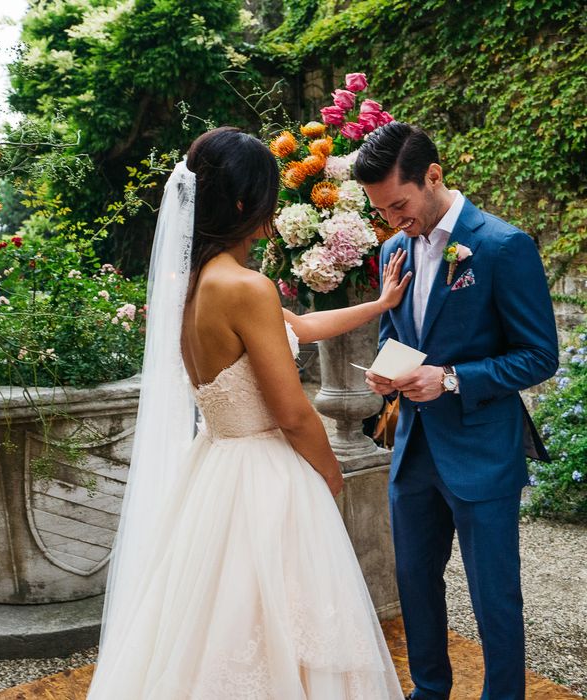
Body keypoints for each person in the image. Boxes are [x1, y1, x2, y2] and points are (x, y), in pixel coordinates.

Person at [86, 126, 411, 699]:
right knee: (282, 627)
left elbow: (301, 327)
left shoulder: (191, 284)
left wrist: (381, 304)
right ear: (243, 203)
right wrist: (329, 472)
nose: (274, 208)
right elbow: (291, 412)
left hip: (215, 466)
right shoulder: (247, 287)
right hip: (266, 474)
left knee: (208, 623)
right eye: (267, 195)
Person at [355, 121, 559, 700]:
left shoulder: (500, 245)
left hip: (482, 451)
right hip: (414, 451)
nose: (393, 220)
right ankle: (429, 691)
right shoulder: (395, 247)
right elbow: (397, 333)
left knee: (494, 593)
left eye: (399, 204)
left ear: (434, 176)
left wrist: (449, 379)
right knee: (415, 584)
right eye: (382, 211)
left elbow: (539, 355)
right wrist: (385, 371)